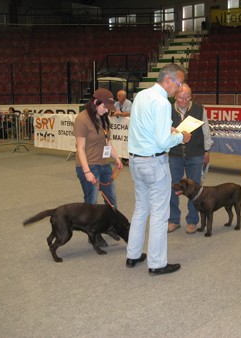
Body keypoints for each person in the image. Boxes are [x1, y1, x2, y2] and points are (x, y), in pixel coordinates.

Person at [126, 63, 191, 276]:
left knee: (141, 209)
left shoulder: (141, 96)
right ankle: (157, 263)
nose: (179, 90)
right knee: (160, 214)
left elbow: (146, 128)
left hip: (136, 160)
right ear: (168, 80)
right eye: (179, 84)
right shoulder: (162, 103)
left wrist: (167, 131)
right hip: (154, 163)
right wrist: (182, 136)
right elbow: (163, 143)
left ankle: (133, 255)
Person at [74, 88, 124, 247]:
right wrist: (87, 171)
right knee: (91, 202)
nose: (106, 110)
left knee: (111, 199)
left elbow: (107, 142)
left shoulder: (102, 118)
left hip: (104, 166)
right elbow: (80, 148)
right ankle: (93, 233)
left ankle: (110, 226)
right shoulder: (82, 119)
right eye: (105, 106)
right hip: (89, 166)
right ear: (96, 102)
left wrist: (116, 158)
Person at [167, 83, 212, 234]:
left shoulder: (199, 109)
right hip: (175, 155)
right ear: (175, 96)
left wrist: (207, 150)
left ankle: (192, 220)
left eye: (187, 97)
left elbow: (206, 131)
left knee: (195, 189)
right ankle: (173, 219)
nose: (184, 101)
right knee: (173, 187)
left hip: (196, 154)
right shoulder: (167, 109)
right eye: (180, 97)